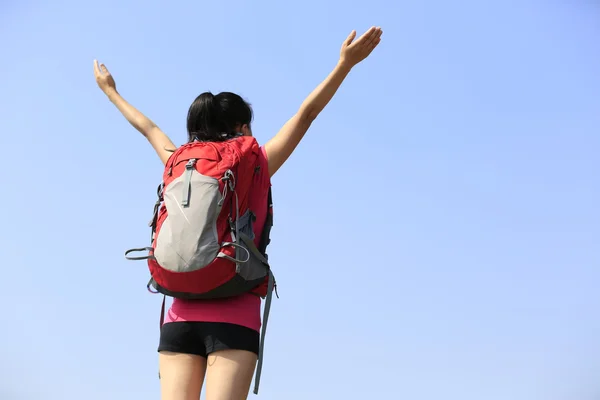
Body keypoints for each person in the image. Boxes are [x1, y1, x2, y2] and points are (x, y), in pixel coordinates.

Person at [94, 26, 382, 400]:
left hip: (179, 314)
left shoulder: (179, 162)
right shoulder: (256, 160)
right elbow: (307, 113)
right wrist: (345, 64)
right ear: (242, 128)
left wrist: (110, 91)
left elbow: (148, 128)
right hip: (234, 312)